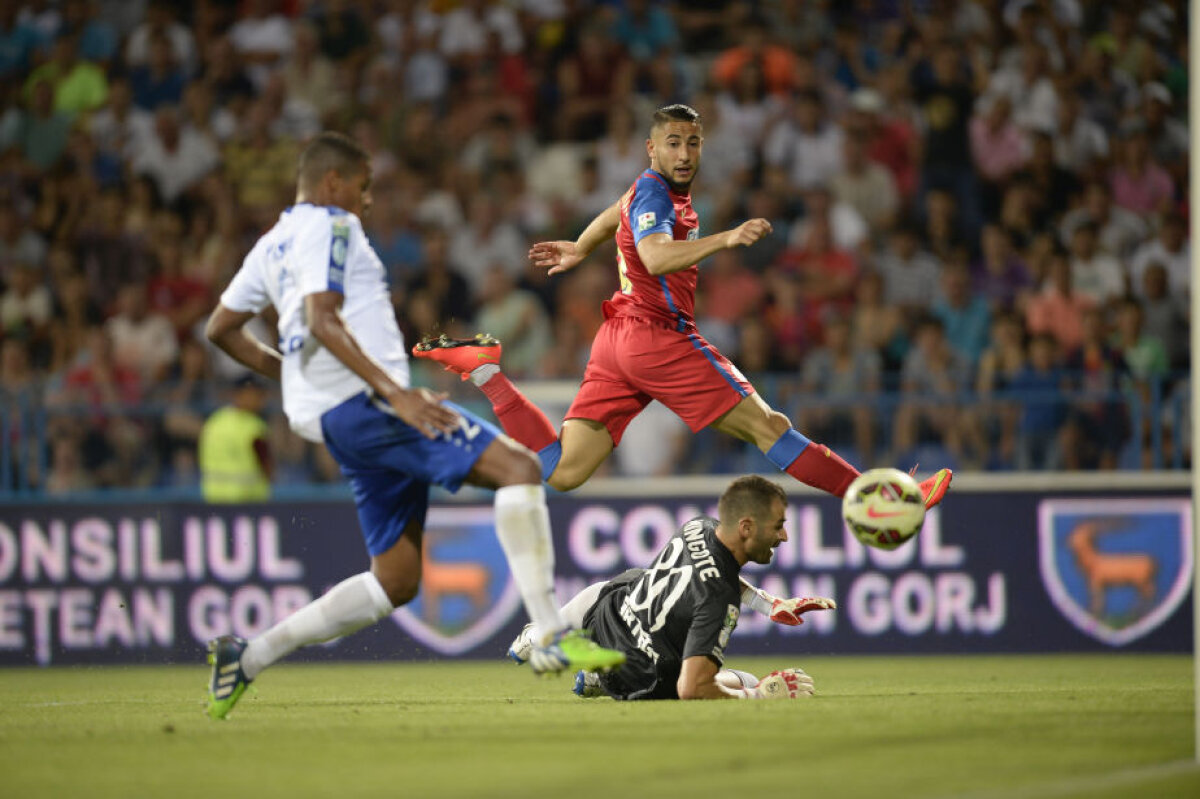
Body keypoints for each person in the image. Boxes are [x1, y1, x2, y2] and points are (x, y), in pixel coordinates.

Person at [202, 131, 623, 720]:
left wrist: (298, 383)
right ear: (332, 184)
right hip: (371, 407)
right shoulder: (332, 226)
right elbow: (323, 321)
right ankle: (551, 631)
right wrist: (395, 394)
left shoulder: (271, 245)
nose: (368, 200)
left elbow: (219, 329)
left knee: (395, 580)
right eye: (363, 186)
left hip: (334, 417)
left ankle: (246, 658)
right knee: (520, 469)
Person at [414, 104, 952, 508]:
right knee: (770, 427)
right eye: (673, 143)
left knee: (565, 470)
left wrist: (582, 244)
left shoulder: (646, 191)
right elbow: (654, 255)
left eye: (693, 143)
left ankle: (487, 375)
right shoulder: (655, 195)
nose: (685, 153)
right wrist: (726, 239)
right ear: (652, 149)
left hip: (616, 340)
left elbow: (613, 212)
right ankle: (884, 501)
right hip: (656, 337)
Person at [508, 475, 832, 700]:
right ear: (746, 527)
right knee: (740, 679)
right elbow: (691, 689)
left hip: (607, 614)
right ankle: (602, 678)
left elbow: (712, 570)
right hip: (636, 674)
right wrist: (760, 694)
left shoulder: (698, 526)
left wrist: (768, 604)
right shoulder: (718, 601)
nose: (784, 537)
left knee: (632, 579)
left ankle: (542, 635)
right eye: (778, 526)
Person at [197, 374, 272, 503]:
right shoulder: (254, 426)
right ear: (239, 394)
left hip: (212, 500)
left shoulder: (214, 421)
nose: (260, 400)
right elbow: (267, 466)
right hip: (248, 501)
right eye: (256, 394)